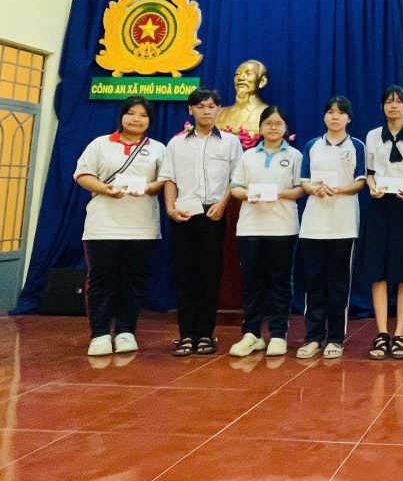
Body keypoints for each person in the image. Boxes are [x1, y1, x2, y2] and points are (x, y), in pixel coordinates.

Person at [74, 96, 166, 356]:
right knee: (101, 279)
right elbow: (82, 174)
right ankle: (100, 334)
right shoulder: (100, 144)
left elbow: (165, 181)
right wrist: (105, 189)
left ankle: (126, 331)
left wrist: (147, 188)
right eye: (131, 113)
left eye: (143, 115)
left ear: (150, 120)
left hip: (141, 226)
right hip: (102, 225)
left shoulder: (158, 148)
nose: (137, 119)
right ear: (122, 116)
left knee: (133, 279)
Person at [161, 87, 242, 356]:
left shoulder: (230, 142)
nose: (206, 111)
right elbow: (169, 178)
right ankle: (186, 335)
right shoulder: (176, 143)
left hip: (213, 214)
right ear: (190, 110)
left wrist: (222, 204)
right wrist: (170, 208)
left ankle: (206, 334)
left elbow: (236, 179)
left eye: (211, 106)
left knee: (209, 275)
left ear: (218, 109)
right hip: (183, 213)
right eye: (200, 106)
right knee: (184, 275)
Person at [227, 106, 304, 357]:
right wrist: (250, 194)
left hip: (283, 227)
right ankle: (251, 334)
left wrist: (281, 194)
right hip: (250, 227)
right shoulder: (248, 156)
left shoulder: (294, 156)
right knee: (253, 282)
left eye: (278, 123)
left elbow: (300, 189)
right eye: (268, 123)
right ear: (260, 127)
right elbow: (235, 188)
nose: (273, 127)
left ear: (286, 128)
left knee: (280, 282)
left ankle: (278, 334)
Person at [296, 96, 366, 359]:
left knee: (338, 284)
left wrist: (340, 189)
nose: (335, 117)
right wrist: (314, 189)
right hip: (314, 225)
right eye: (330, 112)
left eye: (340, 112)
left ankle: (335, 338)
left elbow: (361, 181)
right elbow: (304, 181)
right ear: (324, 117)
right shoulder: (312, 145)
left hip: (344, 225)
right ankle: (313, 337)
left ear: (349, 118)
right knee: (314, 283)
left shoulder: (356, 146)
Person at [360, 86, 403, 360]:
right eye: (389, 101)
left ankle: (400, 333)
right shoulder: (372, 136)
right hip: (380, 204)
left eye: (399, 101)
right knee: (379, 270)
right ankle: (382, 332)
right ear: (382, 106)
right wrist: (371, 186)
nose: (394, 106)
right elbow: (369, 172)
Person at [216, 59, 269, 134]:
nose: (241, 78)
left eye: (248, 74)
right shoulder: (220, 113)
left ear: (262, 81)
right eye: (238, 74)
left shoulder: (268, 114)